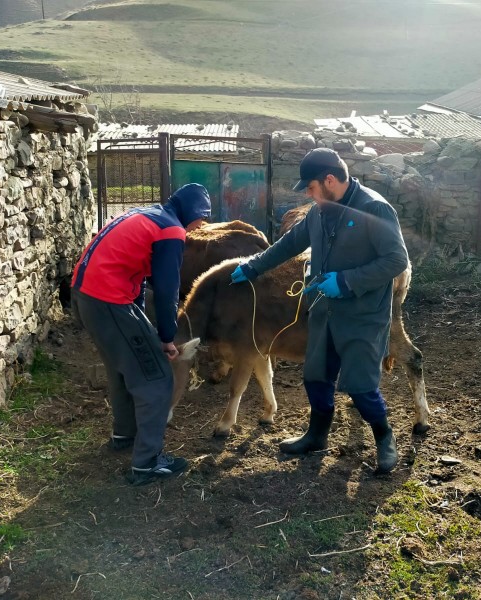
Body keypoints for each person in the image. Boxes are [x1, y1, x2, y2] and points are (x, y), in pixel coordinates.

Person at [230, 148, 409, 474]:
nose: (310, 196)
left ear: (329, 180)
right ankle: (317, 436)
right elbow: (290, 244)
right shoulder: (320, 212)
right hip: (324, 311)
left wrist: (346, 281)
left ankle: (385, 439)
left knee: (361, 385)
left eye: (311, 188)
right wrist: (254, 267)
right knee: (316, 377)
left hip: (363, 316)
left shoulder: (374, 208)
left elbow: (396, 260)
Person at [71, 183, 212, 485]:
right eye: (202, 219)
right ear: (194, 212)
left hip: (87, 295)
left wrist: (145, 327)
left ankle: (125, 435)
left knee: (122, 368)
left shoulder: (146, 215)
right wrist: (166, 336)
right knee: (157, 377)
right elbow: (166, 289)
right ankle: (147, 462)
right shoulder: (172, 231)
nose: (201, 227)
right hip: (108, 297)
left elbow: (135, 272)